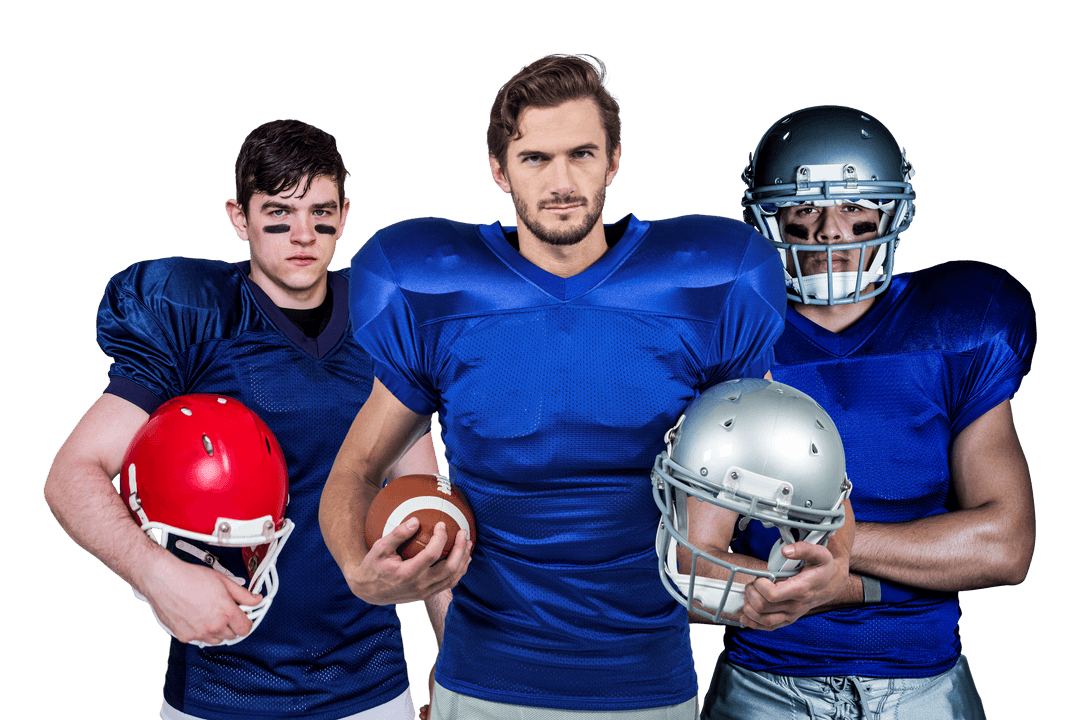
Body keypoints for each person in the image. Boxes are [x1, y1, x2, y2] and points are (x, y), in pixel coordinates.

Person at [319, 55, 851, 720]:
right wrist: (358, 569)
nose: (562, 181)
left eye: (581, 154)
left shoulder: (703, 289)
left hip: (647, 684)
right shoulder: (441, 294)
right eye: (535, 158)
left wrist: (834, 563)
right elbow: (355, 468)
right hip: (483, 680)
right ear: (499, 169)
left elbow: (801, 452)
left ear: (613, 161)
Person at [44, 119, 440, 720]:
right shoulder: (199, 317)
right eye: (278, 212)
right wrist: (156, 575)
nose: (302, 234)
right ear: (239, 218)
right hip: (222, 687)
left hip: (372, 687)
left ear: (344, 215)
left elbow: (419, 500)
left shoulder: (380, 318)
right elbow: (71, 474)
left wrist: (453, 659)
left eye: (320, 212)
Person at [694, 106, 1036, 719]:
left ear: (891, 212)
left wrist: (832, 554)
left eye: (854, 207)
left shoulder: (959, 326)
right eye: (804, 209)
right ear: (769, 218)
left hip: (925, 685)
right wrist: (885, 579)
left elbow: (1004, 546)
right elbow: (694, 569)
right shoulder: (732, 335)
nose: (831, 232)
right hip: (766, 684)